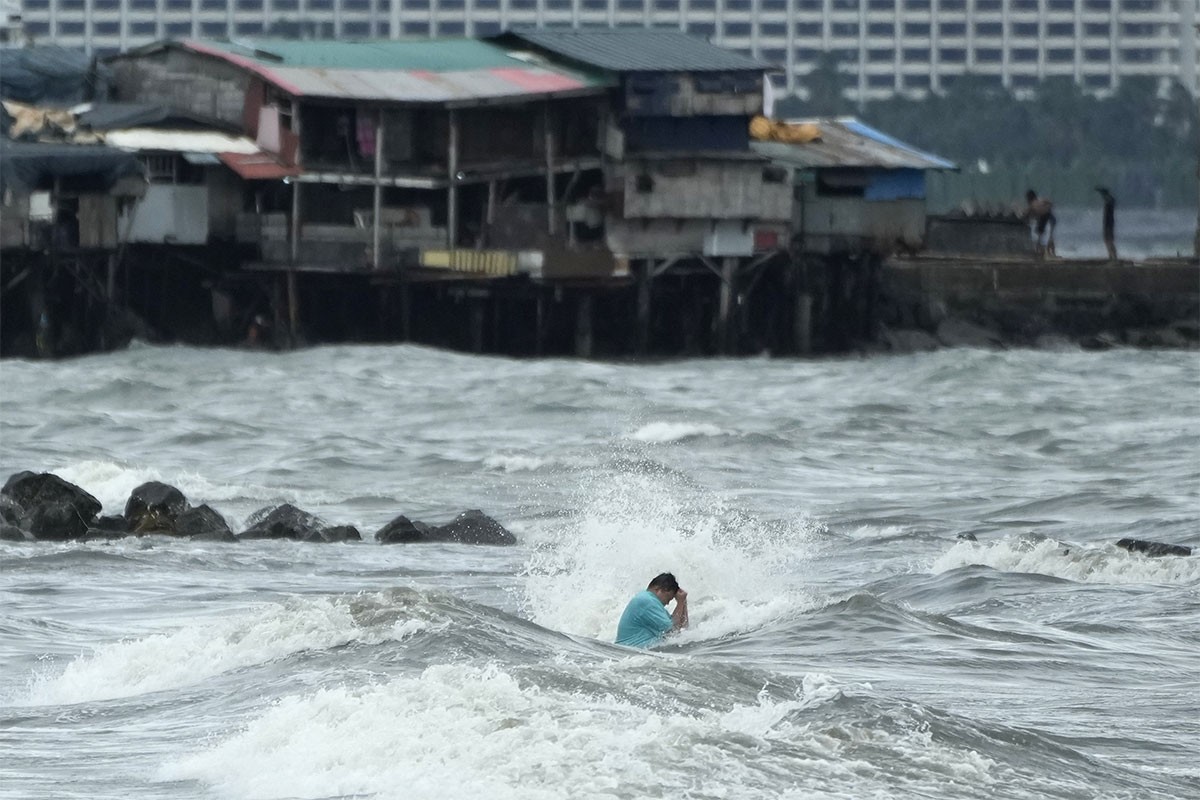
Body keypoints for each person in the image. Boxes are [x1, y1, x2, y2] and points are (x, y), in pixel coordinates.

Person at [615, 572, 689, 648]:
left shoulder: (650, 602)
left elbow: (682, 629)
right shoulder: (647, 601)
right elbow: (672, 632)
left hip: (634, 651)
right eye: (668, 599)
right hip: (631, 651)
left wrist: (683, 602)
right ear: (660, 590)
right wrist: (680, 603)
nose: (667, 603)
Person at [1023, 189, 1057, 258]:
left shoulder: (1032, 205)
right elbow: (1050, 202)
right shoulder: (1040, 200)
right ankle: (1049, 251)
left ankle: (1040, 250)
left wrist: (1025, 217)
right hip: (1050, 217)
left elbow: (1027, 214)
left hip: (1045, 217)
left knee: (1040, 234)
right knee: (1047, 236)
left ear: (1029, 198)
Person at [1096, 186, 1117, 261]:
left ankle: (1113, 257)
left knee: (1109, 240)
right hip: (1108, 223)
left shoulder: (1109, 200)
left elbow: (1110, 201)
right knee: (1108, 240)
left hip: (1108, 223)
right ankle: (1111, 256)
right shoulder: (1109, 200)